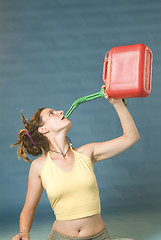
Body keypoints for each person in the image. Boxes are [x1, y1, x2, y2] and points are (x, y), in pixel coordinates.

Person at [12, 85, 140, 240]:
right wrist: (24, 231)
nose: (60, 112)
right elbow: (28, 209)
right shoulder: (39, 166)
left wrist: (117, 104)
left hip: (99, 236)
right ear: (43, 129)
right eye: (51, 113)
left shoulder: (87, 153)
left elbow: (131, 137)